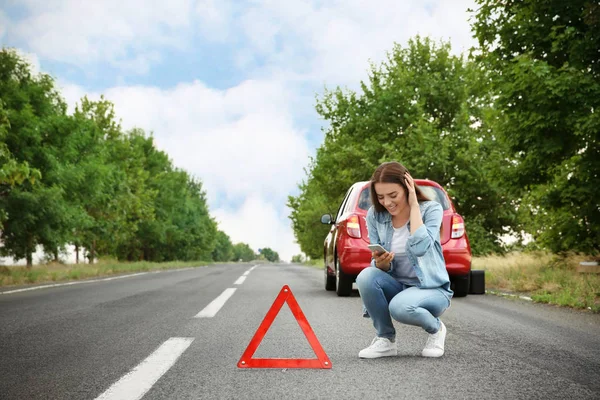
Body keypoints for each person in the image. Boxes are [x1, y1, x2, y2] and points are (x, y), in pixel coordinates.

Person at [356, 161, 453, 359]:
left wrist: (415, 206)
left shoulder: (431, 210)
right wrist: (382, 264)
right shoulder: (375, 215)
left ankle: (436, 330)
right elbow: (377, 259)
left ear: (407, 188)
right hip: (398, 286)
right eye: (381, 197)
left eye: (393, 195)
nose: (387, 202)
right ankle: (385, 340)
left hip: (431, 289)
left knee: (399, 307)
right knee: (366, 276)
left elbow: (419, 249)